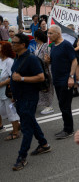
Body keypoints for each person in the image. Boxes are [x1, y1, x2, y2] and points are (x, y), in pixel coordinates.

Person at [10, 33, 50, 171]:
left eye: (14, 42)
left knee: (26, 128)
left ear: (22, 45)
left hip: (29, 98)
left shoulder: (31, 59)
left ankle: (22, 158)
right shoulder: (17, 57)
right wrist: (13, 94)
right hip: (19, 97)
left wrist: (21, 79)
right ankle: (44, 144)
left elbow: (40, 77)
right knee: (30, 121)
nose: (12, 44)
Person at [46, 25, 77, 139]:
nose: (48, 35)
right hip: (57, 80)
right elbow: (54, 62)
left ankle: (68, 130)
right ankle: (66, 128)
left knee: (65, 106)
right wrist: (48, 61)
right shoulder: (53, 46)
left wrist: (71, 77)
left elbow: (74, 61)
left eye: (50, 33)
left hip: (65, 80)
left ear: (58, 34)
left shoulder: (66, 45)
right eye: (48, 33)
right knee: (61, 104)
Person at [0, 41, 20, 140]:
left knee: (11, 112)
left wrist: (2, 83)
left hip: (7, 92)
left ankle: (15, 132)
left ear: (4, 50)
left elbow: (12, 77)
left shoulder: (9, 61)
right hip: (0, 92)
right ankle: (17, 125)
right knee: (3, 112)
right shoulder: (0, 60)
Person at [33, 30, 54, 115]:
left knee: (47, 88)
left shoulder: (46, 46)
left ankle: (49, 106)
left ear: (37, 37)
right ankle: (41, 104)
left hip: (46, 69)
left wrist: (46, 60)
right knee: (40, 88)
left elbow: (48, 59)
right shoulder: (38, 45)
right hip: (39, 69)